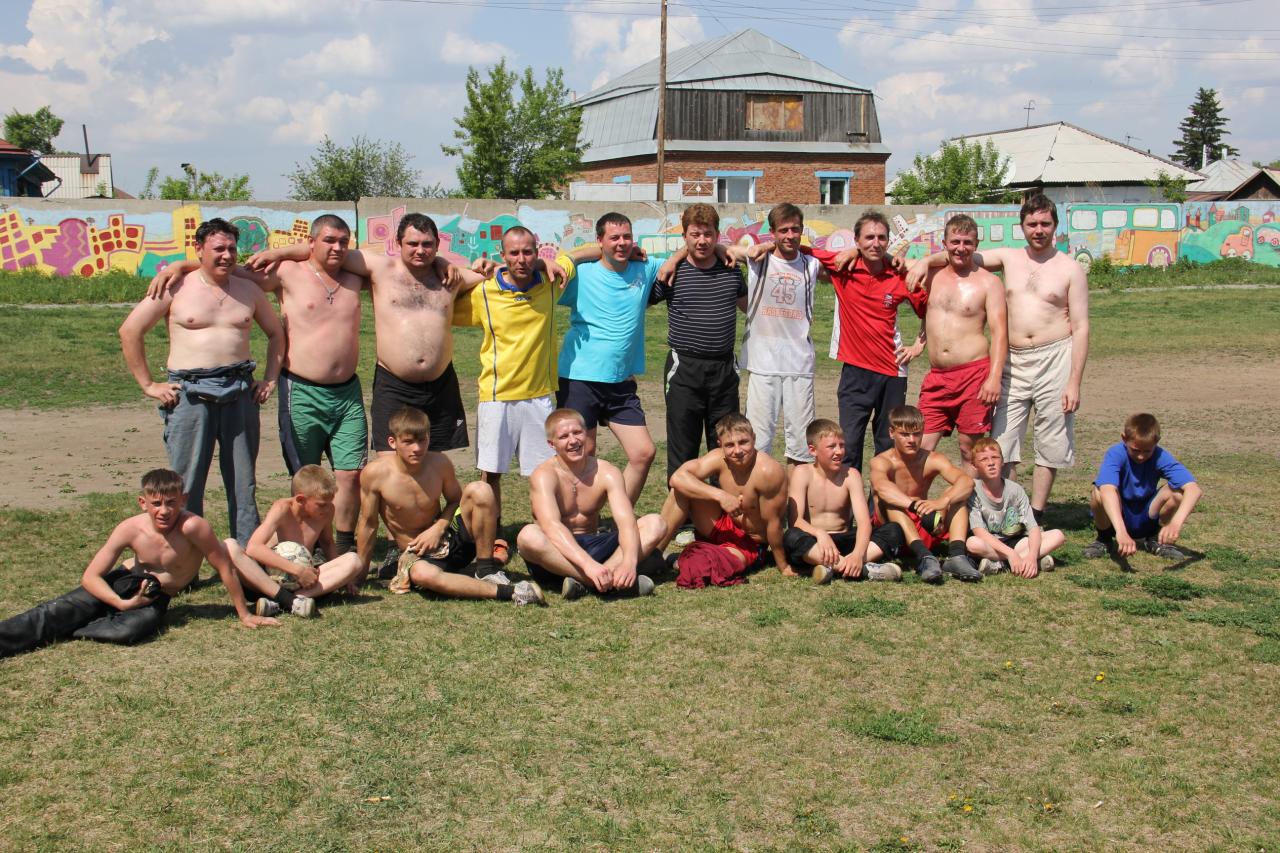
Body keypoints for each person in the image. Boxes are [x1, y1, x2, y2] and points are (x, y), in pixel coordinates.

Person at [152, 215, 367, 554]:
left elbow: (402, 264)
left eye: (344, 241)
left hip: (348, 391)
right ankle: (305, 543)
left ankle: (340, 546)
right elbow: (228, 268)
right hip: (301, 388)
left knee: (350, 475)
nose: (337, 247)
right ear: (311, 242)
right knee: (305, 475)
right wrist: (182, 264)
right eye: (328, 240)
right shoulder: (286, 273)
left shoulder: (357, 276)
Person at [908, 194, 1089, 522]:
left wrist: (1074, 381)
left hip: (1055, 356)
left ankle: (1035, 513)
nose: (1038, 230)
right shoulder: (1008, 258)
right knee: (1002, 442)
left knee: (1051, 440)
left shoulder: (1070, 269)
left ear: (1055, 226)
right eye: (1032, 224)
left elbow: (1081, 326)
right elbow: (960, 254)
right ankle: (1005, 509)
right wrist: (924, 261)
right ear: (1022, 226)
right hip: (1014, 360)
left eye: (1045, 223)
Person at [249, 212, 471, 458]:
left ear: (437, 244)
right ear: (398, 243)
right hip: (393, 384)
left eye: (427, 244)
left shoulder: (449, 277)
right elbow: (323, 248)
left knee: (434, 463)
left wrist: (450, 262)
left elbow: (489, 274)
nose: (420, 250)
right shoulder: (379, 267)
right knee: (388, 465)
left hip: (440, 386)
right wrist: (277, 253)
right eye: (413, 243)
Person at [119, 218, 284, 546]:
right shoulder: (176, 287)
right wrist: (149, 385)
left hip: (239, 390)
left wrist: (269, 379)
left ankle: (247, 555)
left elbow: (276, 333)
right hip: (190, 394)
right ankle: (185, 555)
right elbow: (130, 330)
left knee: (243, 483)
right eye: (218, 248)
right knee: (186, 483)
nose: (227, 255)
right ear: (198, 249)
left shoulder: (248, 290)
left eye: (232, 249)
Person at [0, 469, 277, 658]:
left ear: (183, 500)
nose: (164, 511)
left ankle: (73, 627)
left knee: (131, 630)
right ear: (143, 503)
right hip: (122, 582)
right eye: (156, 503)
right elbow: (91, 577)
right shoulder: (130, 528)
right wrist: (120, 603)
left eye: (171, 502)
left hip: (154, 595)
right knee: (52, 611)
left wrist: (244, 614)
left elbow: (225, 567)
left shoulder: (194, 527)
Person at [753, 211, 928, 473]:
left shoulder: (900, 274)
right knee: (849, 446)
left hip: (893, 372)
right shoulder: (843, 265)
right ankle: (847, 500)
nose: (875, 243)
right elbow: (795, 246)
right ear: (857, 241)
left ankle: (881, 501)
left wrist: (918, 345)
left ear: (888, 241)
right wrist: (767, 245)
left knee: (888, 446)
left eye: (881, 238)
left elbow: (930, 310)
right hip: (854, 372)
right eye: (869, 238)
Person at [355, 407, 545, 605]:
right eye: (408, 442)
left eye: (422, 440)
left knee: (480, 489)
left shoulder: (439, 462)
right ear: (392, 442)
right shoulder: (375, 474)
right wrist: (360, 572)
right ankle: (513, 592)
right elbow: (368, 524)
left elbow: (455, 500)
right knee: (422, 574)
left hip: (450, 539)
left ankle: (485, 569)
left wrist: (438, 528)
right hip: (419, 555)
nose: (417, 448)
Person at [453, 226, 560, 523]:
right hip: (496, 396)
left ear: (537, 252)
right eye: (513, 253)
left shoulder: (551, 283)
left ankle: (545, 530)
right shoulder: (484, 292)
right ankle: (493, 533)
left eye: (528, 252)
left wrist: (547, 263)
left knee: (544, 474)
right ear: (502, 255)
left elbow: (585, 253)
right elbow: (443, 301)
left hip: (539, 395)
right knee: (491, 473)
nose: (521, 259)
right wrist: (475, 272)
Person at [556, 212, 665, 504]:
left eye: (627, 237)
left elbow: (685, 257)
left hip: (621, 381)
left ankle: (621, 518)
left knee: (643, 453)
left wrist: (722, 249)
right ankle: (579, 519)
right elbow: (552, 268)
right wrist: (583, 255)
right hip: (580, 379)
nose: (622, 243)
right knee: (583, 452)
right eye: (614, 238)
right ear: (599, 240)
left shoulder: (645, 268)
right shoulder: (582, 274)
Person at [516, 408, 666, 599]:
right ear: (551, 444)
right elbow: (551, 526)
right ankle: (600, 581)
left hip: (596, 546)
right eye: (564, 436)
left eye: (577, 432)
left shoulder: (606, 472)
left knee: (655, 523)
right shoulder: (543, 475)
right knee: (528, 536)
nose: (573, 441)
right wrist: (588, 566)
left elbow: (626, 522)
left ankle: (595, 579)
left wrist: (629, 561)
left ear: (586, 433)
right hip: (556, 554)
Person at [647, 204, 747, 481]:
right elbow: (639, 302)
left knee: (727, 445)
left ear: (717, 235)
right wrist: (674, 258)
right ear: (685, 237)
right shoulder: (671, 273)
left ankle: (725, 506)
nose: (702, 241)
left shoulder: (731, 270)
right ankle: (683, 508)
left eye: (708, 234)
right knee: (683, 447)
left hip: (723, 370)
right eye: (695, 234)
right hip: (684, 369)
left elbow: (749, 306)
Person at [913, 214, 1008, 469]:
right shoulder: (931, 276)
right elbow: (890, 262)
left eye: (967, 242)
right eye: (955, 241)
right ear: (944, 243)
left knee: (970, 449)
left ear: (976, 245)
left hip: (973, 376)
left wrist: (994, 378)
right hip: (937, 377)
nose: (961, 248)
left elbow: (1000, 333)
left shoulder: (989, 283)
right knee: (920, 448)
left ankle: (970, 496)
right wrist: (924, 261)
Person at [739, 203, 825, 467]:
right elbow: (723, 250)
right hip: (762, 364)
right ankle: (760, 493)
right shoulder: (757, 260)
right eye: (783, 230)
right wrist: (761, 247)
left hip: (799, 365)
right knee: (758, 442)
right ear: (773, 232)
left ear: (802, 230)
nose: (790, 236)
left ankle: (796, 494)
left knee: (801, 446)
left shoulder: (811, 265)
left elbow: (846, 260)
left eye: (795, 230)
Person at [661, 413, 792, 585]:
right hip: (724, 525)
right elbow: (677, 478)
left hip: (749, 544)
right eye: (729, 445)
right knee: (680, 489)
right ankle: (654, 555)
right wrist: (721, 496)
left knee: (707, 568)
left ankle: (676, 560)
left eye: (743, 442)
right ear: (720, 445)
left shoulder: (768, 471)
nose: (737, 451)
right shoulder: (718, 458)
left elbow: (773, 524)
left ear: (754, 438)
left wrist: (783, 566)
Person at [224, 464, 366, 617]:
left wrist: (344, 579)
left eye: (329, 503)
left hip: (303, 583)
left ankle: (286, 602)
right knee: (230, 546)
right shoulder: (282, 508)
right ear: (300, 500)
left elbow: (327, 543)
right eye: (321, 505)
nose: (327, 509)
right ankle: (289, 600)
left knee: (354, 560)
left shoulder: (327, 511)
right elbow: (254, 548)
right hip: (266, 580)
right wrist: (298, 571)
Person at [784, 419, 905, 584]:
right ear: (813, 450)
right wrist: (820, 533)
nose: (839, 451)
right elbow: (795, 521)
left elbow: (864, 522)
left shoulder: (851, 475)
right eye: (831, 446)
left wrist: (858, 554)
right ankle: (860, 569)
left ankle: (837, 566)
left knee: (894, 530)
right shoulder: (802, 473)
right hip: (815, 542)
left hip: (845, 540)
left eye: (841, 445)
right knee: (791, 537)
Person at [868, 405, 980, 584]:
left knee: (956, 495)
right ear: (891, 433)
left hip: (925, 524)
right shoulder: (881, 461)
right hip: (894, 531)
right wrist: (913, 505)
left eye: (917, 434)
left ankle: (956, 556)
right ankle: (924, 557)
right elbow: (881, 488)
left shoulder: (932, 459)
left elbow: (967, 482)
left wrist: (943, 501)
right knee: (889, 500)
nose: (912, 440)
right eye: (905, 434)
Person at [1083, 413, 1202, 561]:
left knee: (1177, 493)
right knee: (1098, 491)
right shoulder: (1116, 453)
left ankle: (1155, 539)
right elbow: (1107, 489)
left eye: (1147, 451)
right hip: (1118, 517)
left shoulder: (1160, 456)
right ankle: (1104, 539)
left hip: (1147, 514)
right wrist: (1121, 532)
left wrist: (1175, 523)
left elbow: (1194, 490)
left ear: (1157, 442)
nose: (1141, 456)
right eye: (1135, 450)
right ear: (1124, 438)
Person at [964, 438, 1064, 577]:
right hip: (990, 543)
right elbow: (979, 532)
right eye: (984, 459)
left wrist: (1032, 556)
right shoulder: (973, 490)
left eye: (995, 457)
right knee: (972, 544)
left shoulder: (1015, 490)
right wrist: (1010, 554)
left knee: (1058, 535)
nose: (991, 463)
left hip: (1016, 541)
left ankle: (1003, 564)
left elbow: (1033, 528)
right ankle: (1021, 560)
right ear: (974, 465)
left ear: (1002, 461)